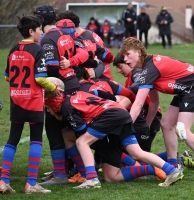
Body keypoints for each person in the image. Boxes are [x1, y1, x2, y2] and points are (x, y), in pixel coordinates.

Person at [44, 79, 183, 189]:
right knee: (133, 156)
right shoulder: (75, 95)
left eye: (48, 108)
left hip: (110, 117)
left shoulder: (68, 108)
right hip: (120, 113)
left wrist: (63, 118)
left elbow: (83, 134)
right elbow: (103, 96)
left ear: (54, 102)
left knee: (82, 141)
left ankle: (91, 178)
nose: (49, 112)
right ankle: (171, 170)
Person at [120, 37, 194, 183]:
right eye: (123, 56)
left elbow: (138, 104)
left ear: (139, 52)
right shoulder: (147, 67)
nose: (125, 59)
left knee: (182, 130)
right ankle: (174, 165)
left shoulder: (150, 68)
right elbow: (154, 102)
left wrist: (126, 125)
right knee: (166, 124)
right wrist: (147, 125)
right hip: (186, 89)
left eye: (128, 54)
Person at [0, 15, 63, 194]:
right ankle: (31, 184)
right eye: (40, 29)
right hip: (33, 101)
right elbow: (40, 78)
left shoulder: (13, 49)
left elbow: (7, 76)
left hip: (17, 100)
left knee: (12, 139)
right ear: (31, 31)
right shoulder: (38, 49)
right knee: (36, 139)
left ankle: (3, 181)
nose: (42, 33)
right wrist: (54, 88)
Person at [33, 4, 94, 186]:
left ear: (41, 21)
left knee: (54, 129)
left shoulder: (48, 38)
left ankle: (62, 173)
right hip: (73, 84)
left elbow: (51, 67)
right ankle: (77, 170)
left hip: (59, 88)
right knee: (69, 130)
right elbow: (87, 55)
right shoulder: (66, 34)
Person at [56, 10, 115, 80]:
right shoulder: (86, 34)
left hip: (100, 79)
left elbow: (105, 57)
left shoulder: (84, 39)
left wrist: (94, 70)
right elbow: (108, 55)